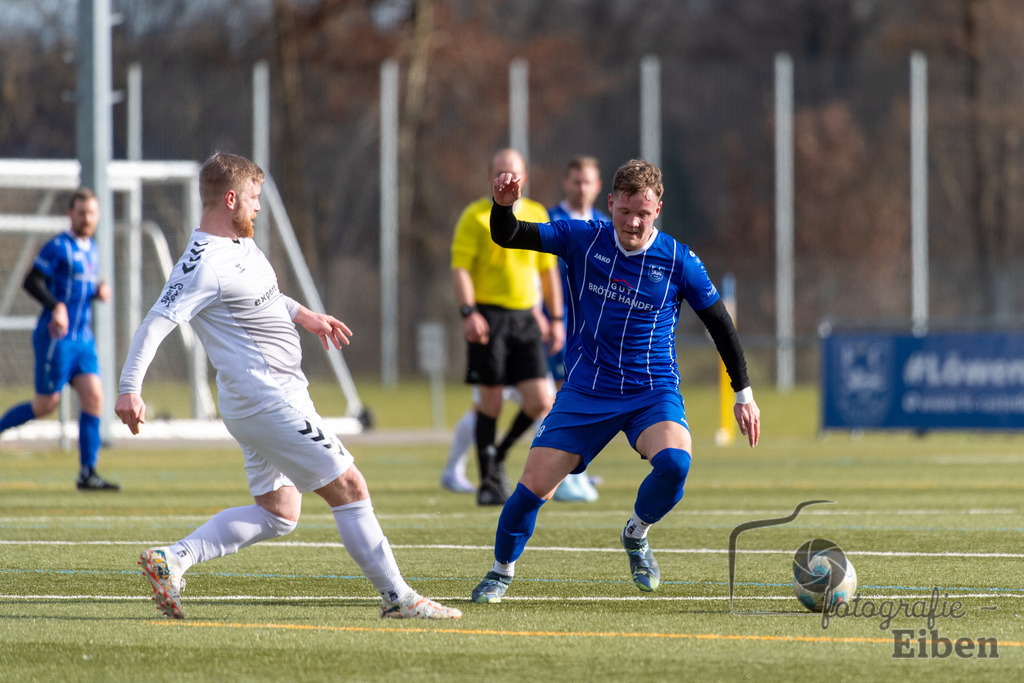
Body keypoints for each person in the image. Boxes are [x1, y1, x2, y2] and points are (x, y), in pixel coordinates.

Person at [114, 152, 460, 621]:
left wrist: (303, 315)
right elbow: (157, 322)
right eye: (253, 197)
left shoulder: (239, 243)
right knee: (349, 485)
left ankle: (173, 559)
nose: (258, 206)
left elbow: (263, 295)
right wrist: (130, 388)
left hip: (266, 398)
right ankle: (398, 597)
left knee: (279, 512)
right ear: (230, 198)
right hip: (266, 398)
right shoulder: (203, 264)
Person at [471, 159, 761, 603]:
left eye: (642, 213)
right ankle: (500, 572)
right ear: (610, 204)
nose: (633, 222)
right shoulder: (582, 238)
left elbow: (721, 325)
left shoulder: (679, 261)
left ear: (657, 209)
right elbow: (509, 235)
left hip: (651, 391)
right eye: (625, 211)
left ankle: (636, 533)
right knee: (531, 489)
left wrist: (744, 394)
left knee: (676, 464)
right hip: (587, 390)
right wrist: (503, 206)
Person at [450, 148, 564, 505]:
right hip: (489, 317)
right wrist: (469, 312)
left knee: (541, 400)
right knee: (491, 401)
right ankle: (488, 482)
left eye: (513, 173)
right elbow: (461, 268)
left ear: (524, 177)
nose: (507, 179)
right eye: (500, 173)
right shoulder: (474, 216)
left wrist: (554, 317)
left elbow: (547, 271)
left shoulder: (537, 213)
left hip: (526, 318)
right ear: (490, 177)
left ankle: (499, 454)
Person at [0, 188, 119, 491]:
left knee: (94, 398)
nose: (87, 218)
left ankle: (87, 473)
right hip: (57, 339)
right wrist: (56, 306)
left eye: (92, 213)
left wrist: (97, 292)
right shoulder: (58, 247)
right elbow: (32, 281)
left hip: (83, 339)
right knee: (45, 405)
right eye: (82, 213)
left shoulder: (92, 248)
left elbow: (79, 289)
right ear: (70, 214)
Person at [544, 156, 610, 503]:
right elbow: (538, 272)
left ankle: (572, 469)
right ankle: (561, 473)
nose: (582, 187)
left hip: (594, 329)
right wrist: (544, 316)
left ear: (598, 186)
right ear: (566, 182)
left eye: (588, 181)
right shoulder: (551, 220)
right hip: (560, 324)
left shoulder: (607, 224)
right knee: (561, 396)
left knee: (587, 395)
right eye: (576, 181)